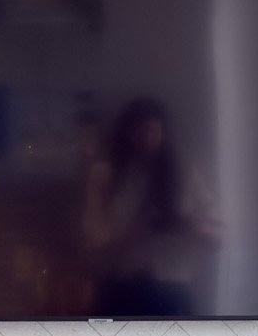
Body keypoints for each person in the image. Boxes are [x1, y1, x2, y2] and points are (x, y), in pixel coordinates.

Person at [82, 98, 221, 317]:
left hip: (172, 291)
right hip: (121, 288)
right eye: (139, 132)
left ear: (164, 133)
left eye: (153, 132)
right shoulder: (104, 175)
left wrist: (187, 225)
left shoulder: (183, 174)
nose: (146, 140)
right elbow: (92, 244)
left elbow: (216, 239)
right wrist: (134, 234)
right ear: (126, 134)